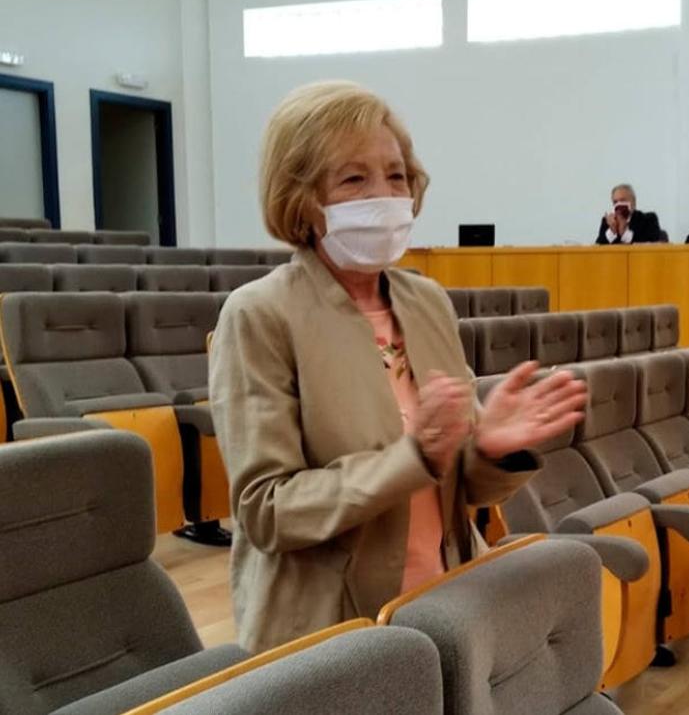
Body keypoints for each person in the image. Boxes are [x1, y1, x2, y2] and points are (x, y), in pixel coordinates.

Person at [209, 81, 587, 653]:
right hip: (332, 629)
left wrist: (488, 449)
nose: (385, 195)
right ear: (302, 198)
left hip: (447, 601)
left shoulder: (425, 300)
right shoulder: (260, 315)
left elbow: (460, 490)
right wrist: (413, 458)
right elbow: (268, 511)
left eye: (397, 175)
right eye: (354, 178)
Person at [596, 183, 665, 244]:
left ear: (634, 202)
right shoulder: (607, 222)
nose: (619, 204)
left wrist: (625, 233)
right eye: (615, 202)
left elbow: (651, 246)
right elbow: (597, 249)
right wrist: (612, 231)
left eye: (622, 200)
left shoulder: (648, 219)